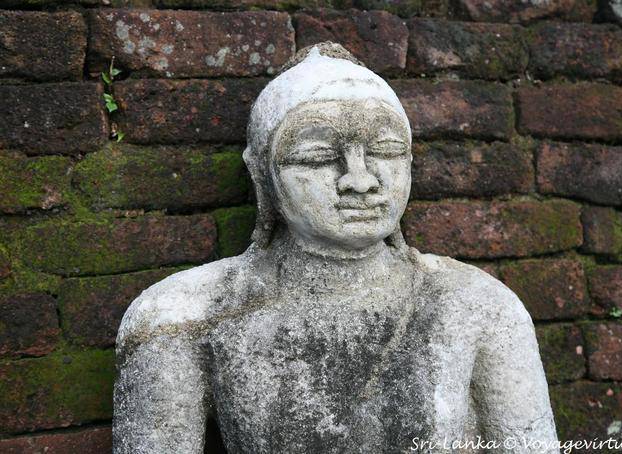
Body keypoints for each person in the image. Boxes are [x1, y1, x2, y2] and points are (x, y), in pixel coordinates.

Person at [113, 43, 558, 453]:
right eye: (317, 157)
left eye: (385, 149)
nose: (360, 180)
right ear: (262, 177)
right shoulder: (179, 317)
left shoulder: (482, 309)